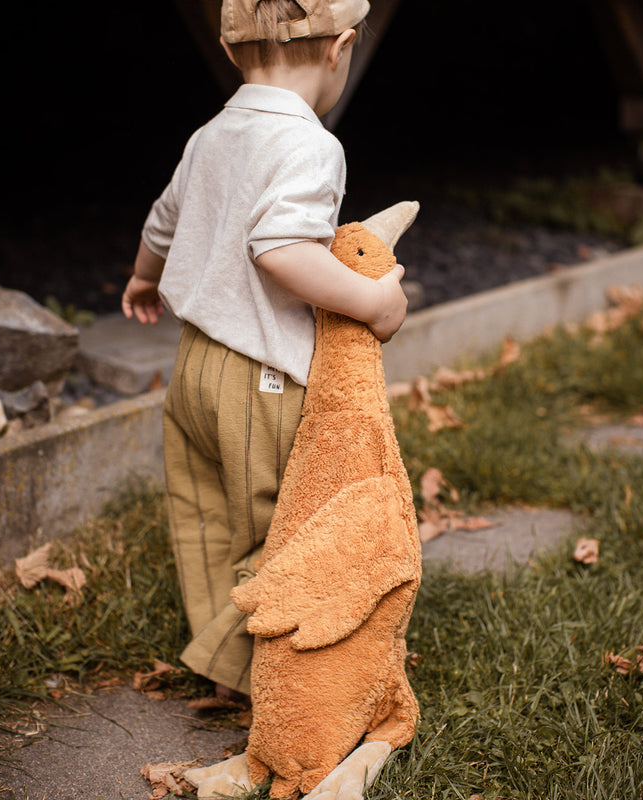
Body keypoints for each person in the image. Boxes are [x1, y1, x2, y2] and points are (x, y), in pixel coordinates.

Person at [120, 0, 408, 707]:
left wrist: (142, 277)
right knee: (276, 522)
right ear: (340, 48)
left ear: (226, 45)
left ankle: (224, 662)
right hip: (261, 377)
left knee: (205, 516)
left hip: (191, 368)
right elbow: (282, 250)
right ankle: (268, 671)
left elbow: (162, 222)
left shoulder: (211, 133)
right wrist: (371, 303)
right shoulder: (313, 146)